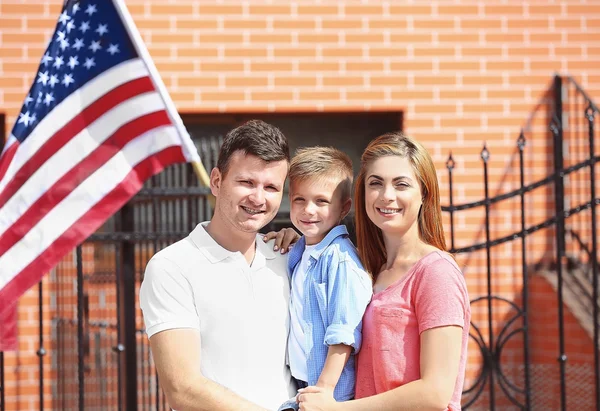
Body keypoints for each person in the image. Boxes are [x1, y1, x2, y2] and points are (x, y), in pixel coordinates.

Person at [297, 132, 471, 411]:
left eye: (401, 184)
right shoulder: (365, 269)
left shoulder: (436, 273)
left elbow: (436, 393)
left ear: (424, 193)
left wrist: (336, 409)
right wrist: (294, 241)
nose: (387, 195)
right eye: (375, 183)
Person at [139, 120, 298, 411]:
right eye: (246, 182)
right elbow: (183, 390)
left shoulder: (290, 257)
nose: (258, 197)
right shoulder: (172, 267)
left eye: (272, 187)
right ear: (216, 181)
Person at [278, 147, 372, 411]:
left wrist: (324, 392)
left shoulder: (340, 260)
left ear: (344, 208)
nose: (309, 210)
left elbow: (344, 333)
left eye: (321, 201)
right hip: (300, 388)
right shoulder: (300, 253)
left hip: (328, 395)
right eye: (299, 199)